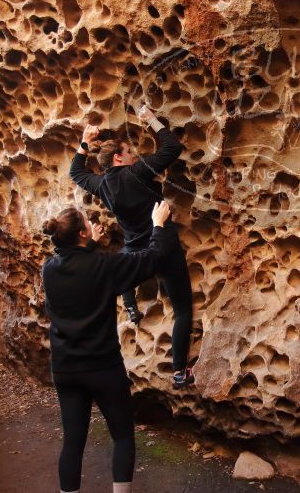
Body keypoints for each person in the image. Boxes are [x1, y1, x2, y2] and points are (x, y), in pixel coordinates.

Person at [42, 201, 175, 493]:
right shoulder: (105, 265)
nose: (93, 225)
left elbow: (77, 265)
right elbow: (152, 258)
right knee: (123, 437)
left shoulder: (49, 270)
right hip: (102, 367)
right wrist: (157, 224)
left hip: (66, 369)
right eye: (88, 224)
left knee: (73, 443)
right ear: (81, 234)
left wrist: (91, 245)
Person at [69, 106, 195, 389]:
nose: (134, 154)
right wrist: (151, 119)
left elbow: (76, 172)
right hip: (164, 246)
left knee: (121, 265)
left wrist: (84, 143)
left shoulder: (101, 184)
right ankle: (179, 372)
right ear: (118, 157)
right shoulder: (137, 171)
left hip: (136, 252)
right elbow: (172, 147)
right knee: (183, 309)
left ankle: (130, 306)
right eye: (129, 150)